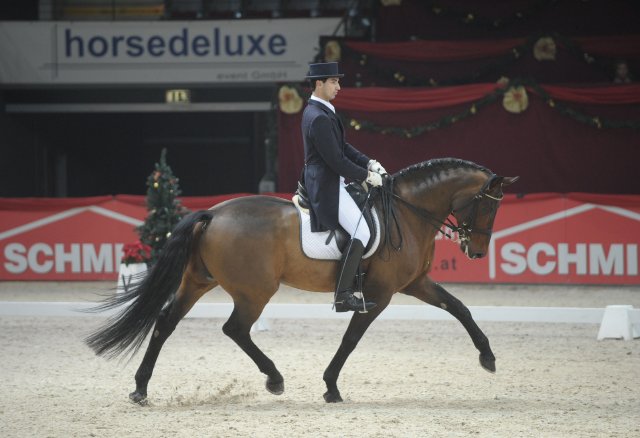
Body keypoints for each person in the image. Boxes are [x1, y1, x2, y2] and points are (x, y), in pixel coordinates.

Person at [301, 62, 387, 312]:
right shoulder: (317, 117)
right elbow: (336, 160)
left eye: (338, 82)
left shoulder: (324, 112)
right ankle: (343, 295)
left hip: (332, 179)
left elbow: (344, 147)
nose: (339, 87)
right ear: (319, 83)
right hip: (326, 185)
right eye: (334, 82)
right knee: (361, 232)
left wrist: (369, 162)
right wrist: (366, 177)